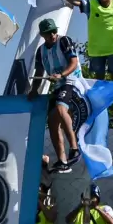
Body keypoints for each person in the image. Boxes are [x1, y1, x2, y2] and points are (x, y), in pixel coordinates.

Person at [57, 0, 113, 120]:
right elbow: (77, 2)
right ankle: (100, 111)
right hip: (97, 51)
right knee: (99, 82)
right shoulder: (92, 4)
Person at [27, 18, 82, 173]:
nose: (52, 34)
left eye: (53, 31)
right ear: (43, 35)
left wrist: (61, 74)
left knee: (59, 109)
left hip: (72, 81)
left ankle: (74, 147)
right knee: (51, 122)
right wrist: (34, 89)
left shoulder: (64, 41)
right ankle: (62, 161)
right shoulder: (41, 51)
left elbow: (73, 62)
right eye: (48, 33)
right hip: (58, 86)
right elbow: (39, 72)